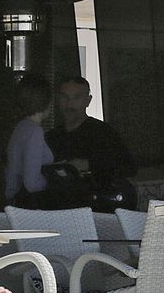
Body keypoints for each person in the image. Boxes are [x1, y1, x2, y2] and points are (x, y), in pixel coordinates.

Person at [44, 76, 136, 211]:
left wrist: (87, 164)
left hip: (98, 209)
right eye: (65, 97)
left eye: (76, 98)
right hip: (61, 211)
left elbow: (129, 166)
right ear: (58, 100)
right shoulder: (51, 137)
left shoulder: (103, 133)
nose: (69, 104)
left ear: (88, 100)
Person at [4, 78, 56, 205]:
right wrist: (54, 183)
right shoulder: (35, 131)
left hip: (15, 198)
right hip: (30, 204)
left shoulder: (21, 127)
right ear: (47, 102)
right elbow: (31, 182)